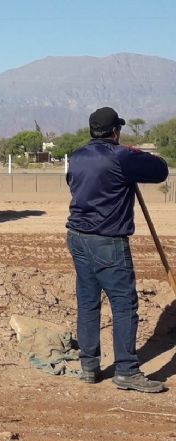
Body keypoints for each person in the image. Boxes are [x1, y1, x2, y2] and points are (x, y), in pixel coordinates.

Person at [66, 106, 169, 393]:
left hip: (76, 235)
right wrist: (138, 154)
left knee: (88, 301)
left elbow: (73, 186)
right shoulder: (121, 156)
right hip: (107, 240)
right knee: (124, 304)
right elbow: (160, 171)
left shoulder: (76, 156)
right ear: (115, 132)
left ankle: (89, 367)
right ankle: (126, 371)